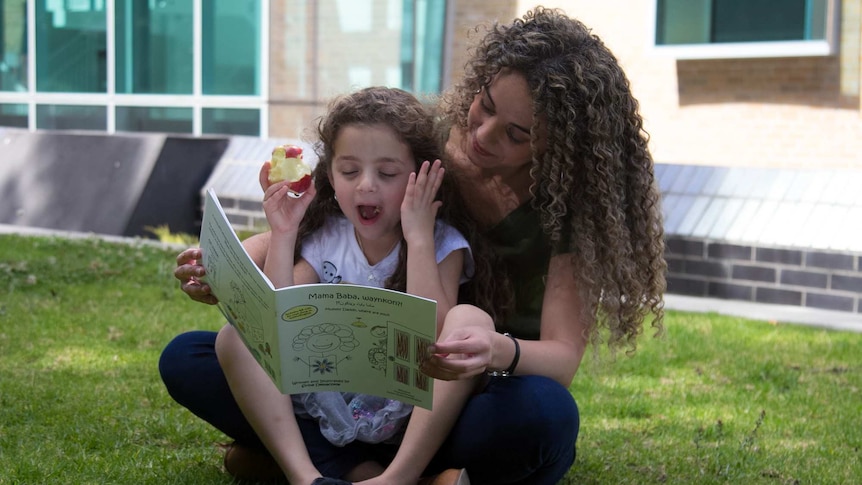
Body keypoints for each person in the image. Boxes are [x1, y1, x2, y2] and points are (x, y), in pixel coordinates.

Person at [161, 7, 666, 485]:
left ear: (556, 145)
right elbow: (326, 228)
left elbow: (560, 360)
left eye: (516, 134)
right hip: (343, 383)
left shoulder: (566, 213)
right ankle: (373, 471)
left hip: (456, 393)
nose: (483, 135)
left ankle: (333, 464)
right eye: (484, 106)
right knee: (191, 357)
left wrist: (492, 349)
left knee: (544, 415)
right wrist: (227, 268)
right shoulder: (424, 144)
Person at [213, 85, 501, 485]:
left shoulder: (441, 243)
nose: (366, 185)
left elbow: (434, 331)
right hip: (328, 400)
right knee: (232, 338)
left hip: (408, 411)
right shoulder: (328, 235)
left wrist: (418, 236)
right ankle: (306, 477)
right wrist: (284, 231)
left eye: (386, 173)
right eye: (350, 171)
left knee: (469, 317)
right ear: (329, 175)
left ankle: (397, 478)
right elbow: (282, 318)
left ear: (422, 177)